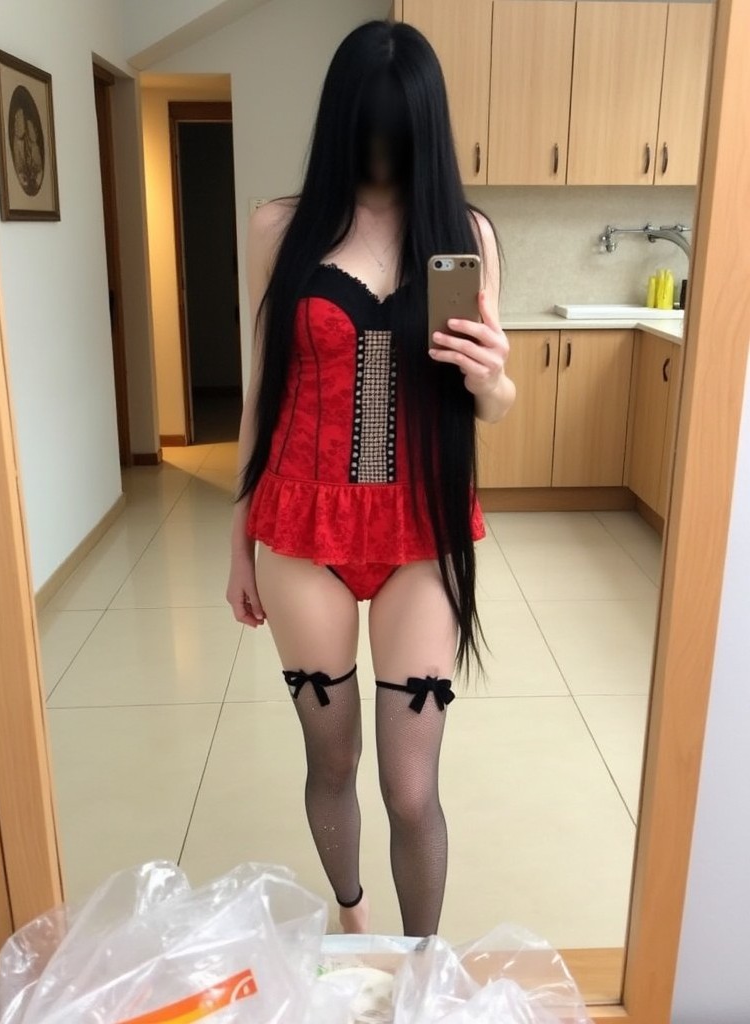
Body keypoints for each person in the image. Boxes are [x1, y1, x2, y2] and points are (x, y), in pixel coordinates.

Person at [226, 19, 515, 938]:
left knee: (412, 786)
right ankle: (353, 923)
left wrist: (492, 377)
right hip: (300, 521)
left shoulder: (465, 234)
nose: (382, 149)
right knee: (332, 761)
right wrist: (238, 543)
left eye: (399, 129)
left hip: (420, 527)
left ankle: (423, 962)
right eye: (369, 126)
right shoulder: (280, 228)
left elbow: (492, 407)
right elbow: (261, 394)